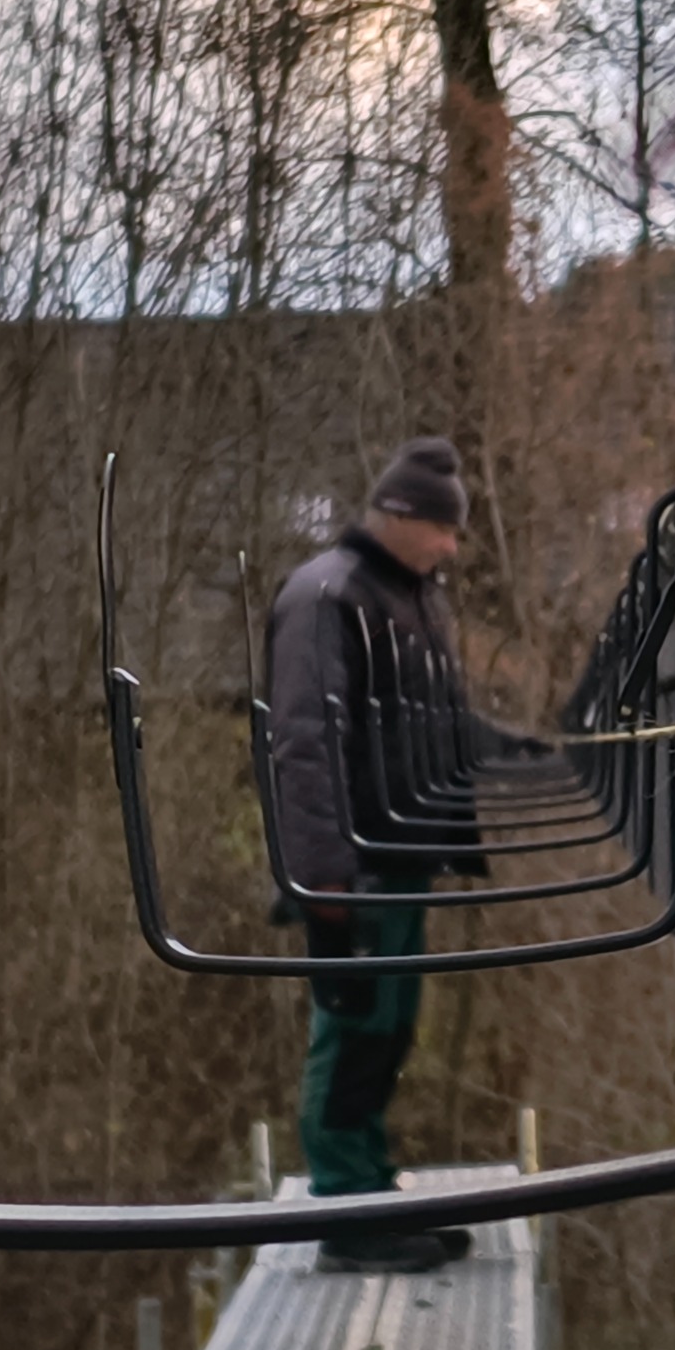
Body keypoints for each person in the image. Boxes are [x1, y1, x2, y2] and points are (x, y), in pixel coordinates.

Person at [265, 436, 529, 1274]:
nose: (455, 547)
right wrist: (324, 876)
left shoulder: (411, 596)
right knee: (353, 1025)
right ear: (403, 517)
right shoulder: (326, 595)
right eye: (446, 531)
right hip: (355, 861)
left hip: (404, 851)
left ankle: (372, 1190)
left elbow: (424, 719)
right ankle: (345, 1210)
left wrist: (516, 749)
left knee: (392, 1028)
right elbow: (304, 741)